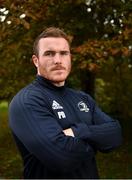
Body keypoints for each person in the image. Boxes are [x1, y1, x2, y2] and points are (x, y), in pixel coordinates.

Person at [9, 27, 122, 179]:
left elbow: (115, 134)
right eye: (49, 54)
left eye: (63, 53)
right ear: (36, 61)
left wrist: (78, 132)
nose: (58, 60)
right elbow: (62, 159)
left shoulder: (83, 98)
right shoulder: (27, 101)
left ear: (70, 57)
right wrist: (97, 141)